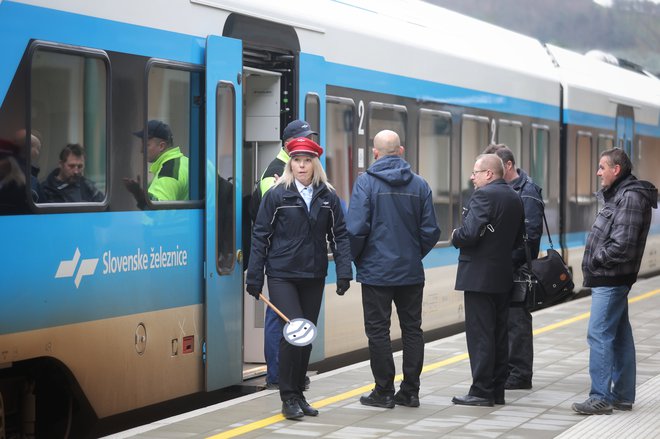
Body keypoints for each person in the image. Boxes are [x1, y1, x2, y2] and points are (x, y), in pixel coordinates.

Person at [246, 137, 352, 420]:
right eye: (296, 160)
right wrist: (254, 277)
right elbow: (260, 236)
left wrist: (344, 272)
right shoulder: (277, 195)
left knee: (306, 338)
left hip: (313, 274)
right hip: (282, 274)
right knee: (295, 332)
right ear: (290, 163)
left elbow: (340, 235)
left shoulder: (328, 196)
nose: (302, 165)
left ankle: (299, 394)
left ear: (315, 163)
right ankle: (288, 396)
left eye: (307, 160)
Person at [346, 129, 440, 409]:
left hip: (376, 272)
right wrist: (412, 255)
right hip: (410, 271)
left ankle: (383, 391)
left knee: (378, 331)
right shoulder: (420, 185)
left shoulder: (365, 183)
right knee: (413, 330)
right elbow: (431, 231)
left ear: (375, 153)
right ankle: (410, 392)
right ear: (401, 151)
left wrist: (359, 260)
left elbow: (355, 229)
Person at [572, 148, 657, 415]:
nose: (598, 172)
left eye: (601, 167)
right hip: (611, 277)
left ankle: (601, 397)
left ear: (616, 170)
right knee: (619, 336)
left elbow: (622, 244)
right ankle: (622, 395)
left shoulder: (629, 197)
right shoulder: (621, 194)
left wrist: (596, 260)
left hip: (611, 278)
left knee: (598, 335)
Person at [451, 153, 525, 407]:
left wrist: (455, 235)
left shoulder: (484, 195)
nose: (472, 177)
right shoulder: (515, 197)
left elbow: (471, 233)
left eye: (475, 172)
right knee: (499, 334)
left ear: (489, 174)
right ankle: (497, 391)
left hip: (479, 277)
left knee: (481, 334)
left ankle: (481, 391)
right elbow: (518, 240)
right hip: (503, 276)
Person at [249, 119, 317, 390]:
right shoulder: (272, 173)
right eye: (302, 138)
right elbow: (272, 217)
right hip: (282, 260)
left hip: (297, 259)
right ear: (288, 145)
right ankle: (277, 374)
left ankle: (290, 375)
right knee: (279, 318)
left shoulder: (299, 172)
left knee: (289, 318)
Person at [483, 144, 544, 390]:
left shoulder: (527, 193)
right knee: (502, 321)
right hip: (499, 267)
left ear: (508, 165)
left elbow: (530, 237)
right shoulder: (498, 189)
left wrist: (504, 261)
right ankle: (507, 370)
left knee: (517, 320)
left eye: (495, 167)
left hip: (516, 269)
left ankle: (519, 374)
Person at [124, 119, 189, 207]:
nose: (141, 150)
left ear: (161, 146)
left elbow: (160, 212)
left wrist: (139, 194)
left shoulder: (169, 171)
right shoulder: (188, 162)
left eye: (146, 145)